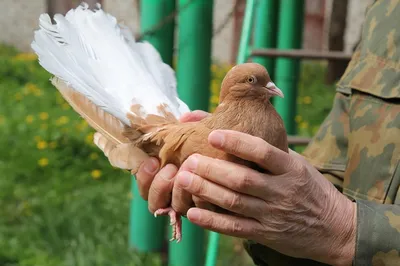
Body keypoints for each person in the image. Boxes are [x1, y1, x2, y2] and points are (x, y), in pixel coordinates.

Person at [94, 0, 400, 265]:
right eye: (257, 83)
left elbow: (329, 214)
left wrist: (348, 230)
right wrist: (285, 216)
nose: (271, 88)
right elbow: (333, 173)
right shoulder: (385, 12)